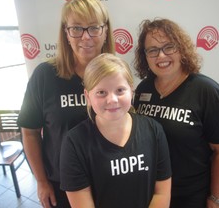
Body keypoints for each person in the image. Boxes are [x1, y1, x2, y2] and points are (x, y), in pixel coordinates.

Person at [17, 0, 115, 208]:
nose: (86, 37)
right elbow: (30, 132)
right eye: (76, 29)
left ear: (105, 31)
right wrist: (42, 181)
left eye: (94, 28)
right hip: (61, 185)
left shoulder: (115, 74)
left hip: (108, 180)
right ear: (66, 33)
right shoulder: (45, 75)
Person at [133, 18, 219, 208]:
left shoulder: (207, 91)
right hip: (149, 192)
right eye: (152, 50)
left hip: (190, 196)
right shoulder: (142, 89)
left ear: (181, 48)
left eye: (169, 46)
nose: (161, 55)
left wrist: (217, 198)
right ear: (145, 56)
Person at [59, 53, 172, 208]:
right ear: (88, 96)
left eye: (120, 90)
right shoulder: (74, 143)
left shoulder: (154, 130)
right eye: (101, 92)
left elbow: (162, 193)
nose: (112, 99)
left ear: (131, 91)